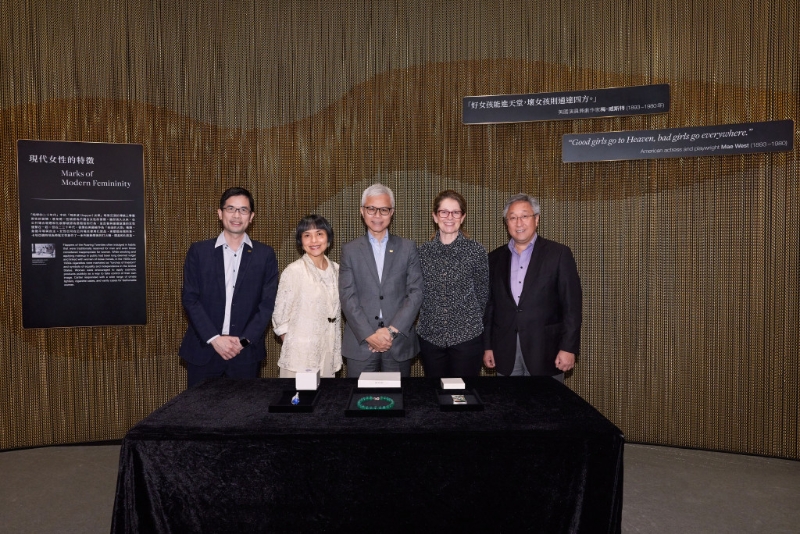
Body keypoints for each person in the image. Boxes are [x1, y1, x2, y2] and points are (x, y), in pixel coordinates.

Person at [179, 187, 279, 387]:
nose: (236, 215)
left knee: (244, 407)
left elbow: (267, 304)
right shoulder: (199, 252)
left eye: (243, 210)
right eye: (231, 208)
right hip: (204, 349)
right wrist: (215, 339)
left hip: (245, 353)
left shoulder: (265, 255)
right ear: (220, 213)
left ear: (251, 217)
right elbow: (190, 299)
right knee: (199, 407)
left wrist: (243, 342)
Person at [482, 194, 582, 381]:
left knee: (546, 400)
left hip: (547, 351)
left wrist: (568, 347)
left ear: (536, 219)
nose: (518, 223)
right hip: (505, 351)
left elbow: (572, 307)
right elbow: (490, 307)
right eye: (512, 217)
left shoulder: (559, 254)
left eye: (524, 216)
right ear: (506, 223)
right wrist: (488, 346)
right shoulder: (494, 258)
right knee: (507, 400)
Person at [339, 183, 423, 377]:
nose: (377, 215)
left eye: (384, 210)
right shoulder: (350, 250)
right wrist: (369, 335)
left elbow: (416, 293)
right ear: (362, 211)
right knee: (358, 396)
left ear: (391, 212)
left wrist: (390, 332)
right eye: (371, 209)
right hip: (361, 343)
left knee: (397, 396)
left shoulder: (407, 248)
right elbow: (347, 296)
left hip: (397, 342)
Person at [417, 190, 489, 377]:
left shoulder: (476, 251)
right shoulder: (421, 253)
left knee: (464, 392)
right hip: (430, 338)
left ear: (462, 217)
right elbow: (416, 294)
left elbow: (483, 295)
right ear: (435, 216)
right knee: (435, 391)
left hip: (467, 339)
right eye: (444, 212)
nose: (449, 217)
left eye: (455, 212)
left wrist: (466, 322)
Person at [272, 215, 342, 378]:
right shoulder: (294, 271)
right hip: (300, 356)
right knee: (298, 395)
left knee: (327, 394)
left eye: (319, 234)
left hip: (329, 350)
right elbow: (279, 317)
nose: (314, 240)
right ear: (300, 241)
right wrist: (295, 344)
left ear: (328, 238)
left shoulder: (337, 270)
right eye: (307, 235)